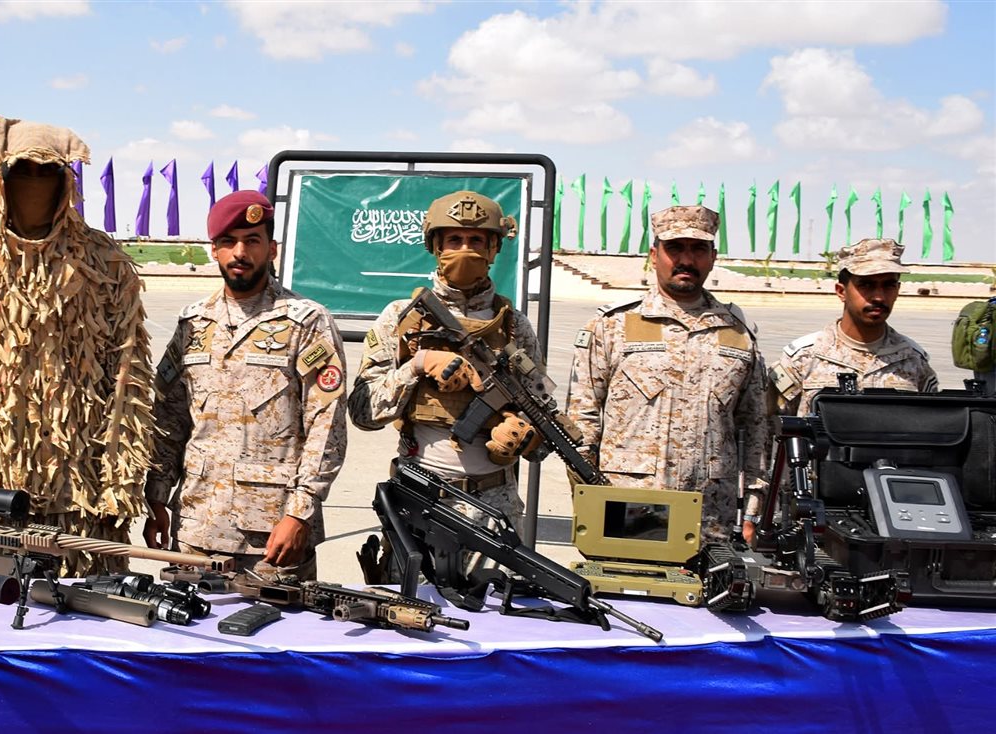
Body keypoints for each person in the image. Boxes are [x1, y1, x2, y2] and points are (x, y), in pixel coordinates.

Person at [0, 115, 156, 577]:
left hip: (84, 500)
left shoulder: (104, 265)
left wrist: (120, 482)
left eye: (47, 172)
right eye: (22, 171)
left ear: (66, 180)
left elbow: (128, 379)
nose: (34, 183)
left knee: (90, 606)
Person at [143, 191, 348, 579]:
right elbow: (168, 419)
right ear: (214, 251)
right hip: (194, 530)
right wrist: (156, 496)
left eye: (252, 240)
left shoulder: (306, 322)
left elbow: (327, 427)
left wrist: (300, 512)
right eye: (228, 241)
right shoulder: (193, 323)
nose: (240, 252)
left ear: (272, 249)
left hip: (272, 538)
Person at [567, 205, 773, 544]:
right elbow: (582, 422)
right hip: (626, 509)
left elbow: (756, 431)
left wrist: (752, 510)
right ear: (654, 255)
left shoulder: (737, 334)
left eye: (698, 249)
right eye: (675, 248)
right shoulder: (612, 327)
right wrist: (587, 497)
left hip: (709, 518)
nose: (686, 260)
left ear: (713, 257)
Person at [349, 190, 544, 529]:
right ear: (436, 246)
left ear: (493, 248)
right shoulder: (403, 318)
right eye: (454, 240)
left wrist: (526, 434)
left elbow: (540, 410)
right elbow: (363, 414)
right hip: (419, 497)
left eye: (476, 240)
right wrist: (417, 365)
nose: (465, 249)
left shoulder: (515, 326)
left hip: (495, 506)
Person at [772, 239, 939, 416]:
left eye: (888, 285)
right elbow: (769, 423)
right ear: (841, 291)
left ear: (897, 290)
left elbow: (929, 422)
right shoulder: (802, 359)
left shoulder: (913, 360)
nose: (879, 297)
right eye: (866, 285)